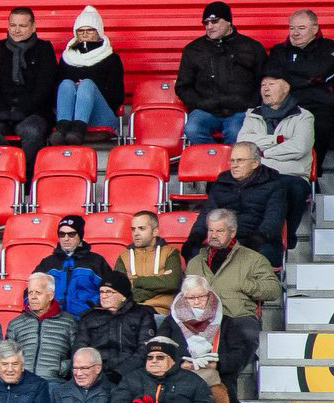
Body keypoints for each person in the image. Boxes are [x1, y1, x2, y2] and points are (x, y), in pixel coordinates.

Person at [159, 275, 254, 403]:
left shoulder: (225, 322)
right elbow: (160, 350)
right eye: (191, 298)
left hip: (214, 376)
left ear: (208, 295)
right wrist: (180, 366)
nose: (196, 302)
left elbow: (239, 354)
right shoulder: (171, 322)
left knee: (220, 394)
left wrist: (217, 364)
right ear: (183, 298)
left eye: (200, 297)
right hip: (180, 376)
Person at [184, 207, 283, 349]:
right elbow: (184, 294)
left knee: (246, 335)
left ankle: (222, 370)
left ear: (232, 232)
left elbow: (274, 290)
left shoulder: (252, 259)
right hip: (201, 318)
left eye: (219, 231)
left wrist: (246, 284)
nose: (213, 235)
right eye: (211, 230)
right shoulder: (195, 262)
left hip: (238, 317)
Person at [239, 69, 315, 248]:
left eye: (271, 84)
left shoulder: (303, 116)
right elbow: (243, 143)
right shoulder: (252, 114)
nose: (265, 89)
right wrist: (277, 140)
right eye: (263, 85)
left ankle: (287, 238)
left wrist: (263, 153)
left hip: (291, 174)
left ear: (286, 87)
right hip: (259, 173)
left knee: (294, 189)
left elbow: (299, 147)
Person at [0, 7, 57, 176]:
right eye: (13, 25)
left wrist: (24, 110)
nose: (17, 30)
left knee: (32, 132)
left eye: (22, 25)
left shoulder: (44, 49)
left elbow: (45, 86)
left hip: (33, 111)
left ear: (33, 27)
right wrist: (0, 110)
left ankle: (25, 179)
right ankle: (5, 172)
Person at [185, 145, 291, 269]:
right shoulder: (221, 183)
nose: (234, 165)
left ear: (255, 163)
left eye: (240, 161)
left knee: (257, 257)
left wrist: (250, 243)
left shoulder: (274, 184)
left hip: (259, 241)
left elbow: (273, 221)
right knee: (194, 255)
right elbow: (207, 214)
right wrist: (194, 238)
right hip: (223, 240)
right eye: (232, 161)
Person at [177, 2, 267, 147]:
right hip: (205, 111)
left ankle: (233, 166)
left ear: (229, 22)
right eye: (206, 23)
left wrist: (252, 104)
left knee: (236, 133)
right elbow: (182, 87)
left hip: (240, 111)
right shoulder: (193, 50)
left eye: (215, 21)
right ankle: (214, 160)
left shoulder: (252, 47)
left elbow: (264, 81)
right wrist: (200, 103)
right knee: (192, 129)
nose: (209, 26)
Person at [267, 10, 334, 168]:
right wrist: (311, 79)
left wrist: (290, 77)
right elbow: (272, 76)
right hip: (287, 105)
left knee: (320, 128)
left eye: (301, 28)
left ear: (315, 29)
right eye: (292, 28)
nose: (295, 33)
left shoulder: (329, 47)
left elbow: (319, 71)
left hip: (320, 106)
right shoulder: (279, 51)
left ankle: (312, 174)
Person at [52, 6, 126, 145]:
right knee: (66, 84)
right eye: (81, 31)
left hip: (101, 115)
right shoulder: (67, 58)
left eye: (90, 30)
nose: (85, 34)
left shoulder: (112, 59)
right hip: (70, 117)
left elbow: (116, 97)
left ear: (98, 32)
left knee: (86, 84)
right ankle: (62, 129)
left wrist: (87, 93)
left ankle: (78, 130)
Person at [71, 270, 157, 383]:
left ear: (123, 296)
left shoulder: (142, 315)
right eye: (101, 292)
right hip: (95, 377)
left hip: (131, 375)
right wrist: (94, 372)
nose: (104, 296)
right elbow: (80, 349)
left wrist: (119, 372)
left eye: (109, 292)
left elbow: (145, 350)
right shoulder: (89, 317)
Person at [34, 214, 110, 317]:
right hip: (53, 322)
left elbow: (111, 292)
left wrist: (91, 305)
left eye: (71, 234)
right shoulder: (48, 263)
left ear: (80, 235)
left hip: (86, 321)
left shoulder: (96, 261)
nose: (66, 238)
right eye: (62, 234)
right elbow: (30, 291)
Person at [8, 274, 75, 383]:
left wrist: (62, 368)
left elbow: (78, 355)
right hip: (23, 383)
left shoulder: (68, 322)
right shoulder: (15, 324)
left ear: (50, 295)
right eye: (30, 292)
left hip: (54, 382)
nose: (33, 297)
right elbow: (7, 355)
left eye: (38, 292)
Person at [114, 211, 185, 316]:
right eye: (133, 229)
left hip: (159, 313)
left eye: (142, 228)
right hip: (130, 313)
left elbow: (172, 283)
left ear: (155, 231)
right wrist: (157, 281)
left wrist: (136, 281)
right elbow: (118, 288)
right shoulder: (124, 256)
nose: (136, 233)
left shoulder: (170, 253)